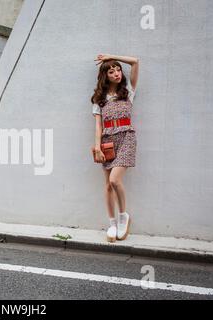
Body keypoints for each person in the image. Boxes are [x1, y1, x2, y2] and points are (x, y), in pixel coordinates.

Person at [91, 54, 140, 243]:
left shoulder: (128, 90)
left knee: (114, 180)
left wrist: (110, 56)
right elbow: (98, 126)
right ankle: (111, 223)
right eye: (111, 71)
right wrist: (97, 147)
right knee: (108, 185)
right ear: (105, 76)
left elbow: (135, 61)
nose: (117, 73)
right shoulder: (99, 99)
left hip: (127, 136)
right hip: (107, 141)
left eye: (118, 69)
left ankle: (123, 217)